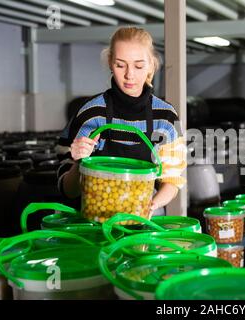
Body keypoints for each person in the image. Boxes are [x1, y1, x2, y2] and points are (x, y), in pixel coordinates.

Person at [56, 26, 186, 216]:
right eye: (120, 65)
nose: (129, 75)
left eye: (139, 65)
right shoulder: (91, 114)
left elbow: (172, 181)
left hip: (144, 219)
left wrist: (150, 205)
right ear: (110, 63)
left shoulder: (165, 118)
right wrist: (79, 163)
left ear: (151, 65)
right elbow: (68, 191)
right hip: (95, 222)